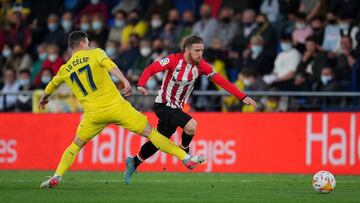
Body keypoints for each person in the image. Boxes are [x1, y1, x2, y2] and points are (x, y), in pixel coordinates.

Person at [39, 31, 206, 189]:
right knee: (152, 134)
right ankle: (185, 157)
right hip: (117, 107)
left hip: (93, 114)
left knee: (75, 145)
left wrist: (44, 97)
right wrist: (125, 81)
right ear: (83, 43)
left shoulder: (65, 69)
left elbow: (52, 84)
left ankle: (56, 176)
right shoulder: (96, 53)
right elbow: (110, 65)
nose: (89, 45)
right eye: (87, 43)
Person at [124, 35, 257, 184]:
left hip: (176, 108)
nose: (200, 54)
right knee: (191, 125)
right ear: (187, 50)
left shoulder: (202, 65)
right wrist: (142, 84)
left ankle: (134, 162)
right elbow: (151, 69)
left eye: (202, 50)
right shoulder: (173, 60)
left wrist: (242, 96)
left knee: (159, 140)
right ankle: (185, 152)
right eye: (197, 50)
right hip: (163, 105)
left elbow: (222, 81)